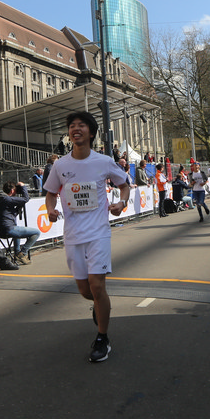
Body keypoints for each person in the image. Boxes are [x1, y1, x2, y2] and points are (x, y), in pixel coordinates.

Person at [44, 111, 131, 363]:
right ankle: (101, 306)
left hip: (98, 233)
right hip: (73, 235)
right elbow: (50, 193)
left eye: (81, 125)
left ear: (91, 132)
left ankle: (102, 338)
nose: (76, 129)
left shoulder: (104, 161)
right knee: (85, 291)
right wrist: (50, 209)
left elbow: (124, 185)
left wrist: (121, 203)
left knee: (97, 285)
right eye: (72, 125)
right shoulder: (60, 165)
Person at [0, 181, 40, 265]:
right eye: (16, 190)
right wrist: (23, 187)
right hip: (8, 229)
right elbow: (26, 199)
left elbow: (10, 214)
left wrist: (18, 207)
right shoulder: (7, 199)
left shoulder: (1, 199)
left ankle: (17, 253)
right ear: (12, 191)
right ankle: (22, 253)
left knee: (16, 229)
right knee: (37, 232)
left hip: (0, 230)